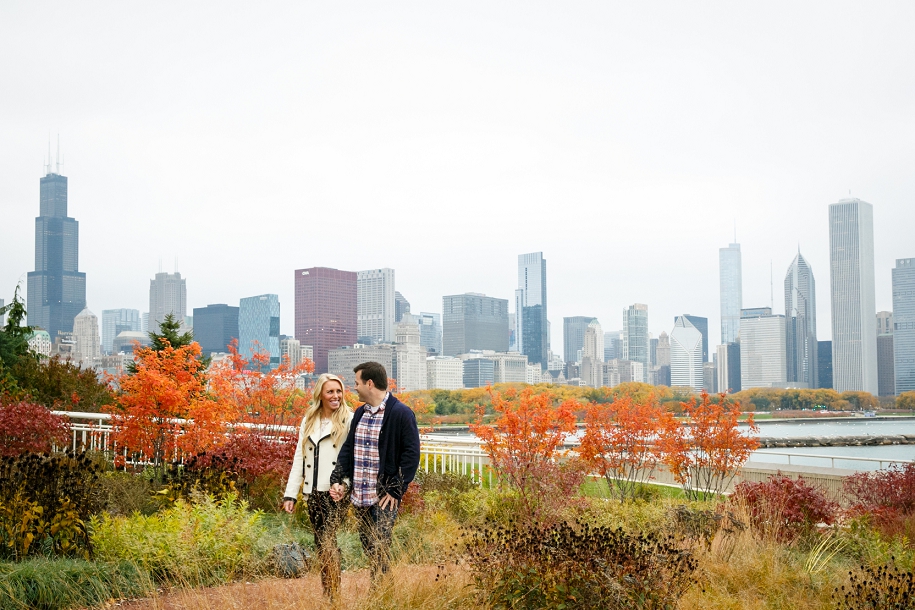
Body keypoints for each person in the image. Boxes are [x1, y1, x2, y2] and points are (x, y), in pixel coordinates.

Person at [329, 361, 421, 582]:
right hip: (360, 496)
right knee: (369, 547)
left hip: (383, 498)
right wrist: (339, 478)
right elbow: (349, 448)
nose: (354, 387)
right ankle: (384, 592)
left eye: (357, 383)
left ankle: (380, 593)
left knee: (380, 546)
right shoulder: (360, 413)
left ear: (369, 383)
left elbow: (411, 454)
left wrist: (396, 489)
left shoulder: (401, 413)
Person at [283, 373, 353, 599]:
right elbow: (299, 458)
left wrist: (344, 484)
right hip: (312, 492)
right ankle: (329, 592)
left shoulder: (348, 419)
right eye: (330, 391)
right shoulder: (309, 419)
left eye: (339, 391)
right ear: (320, 395)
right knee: (320, 542)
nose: (336, 396)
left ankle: (333, 594)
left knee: (327, 539)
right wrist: (290, 494)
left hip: (335, 492)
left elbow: (353, 457)